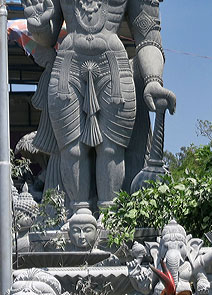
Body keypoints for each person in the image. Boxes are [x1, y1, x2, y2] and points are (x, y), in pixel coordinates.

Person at [22, 0, 176, 210]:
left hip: (112, 64)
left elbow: (148, 38)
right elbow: (47, 39)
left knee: (111, 149)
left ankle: (109, 216)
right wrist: (38, 24)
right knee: (71, 150)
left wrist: (153, 80)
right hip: (69, 64)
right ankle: (77, 213)